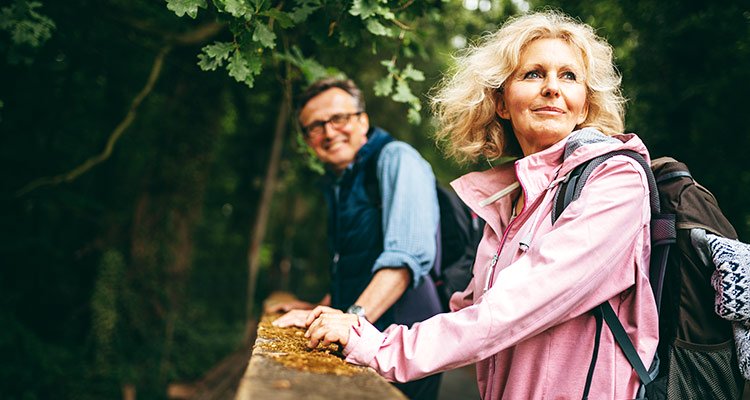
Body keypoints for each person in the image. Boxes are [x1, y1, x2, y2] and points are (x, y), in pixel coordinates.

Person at [303, 11, 659, 399]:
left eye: (569, 76)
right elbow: (468, 311)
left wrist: (377, 345)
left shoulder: (615, 181)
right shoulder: (510, 200)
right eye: (533, 74)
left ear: (585, 106)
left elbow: (518, 304)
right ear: (502, 103)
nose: (552, 88)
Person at [266, 77, 444, 399]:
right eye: (316, 126)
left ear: (362, 120)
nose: (330, 132)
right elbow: (354, 263)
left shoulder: (396, 159)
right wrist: (320, 308)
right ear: (307, 140)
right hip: (362, 339)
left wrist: (352, 321)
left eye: (339, 118)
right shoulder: (340, 182)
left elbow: (404, 261)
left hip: (402, 345)